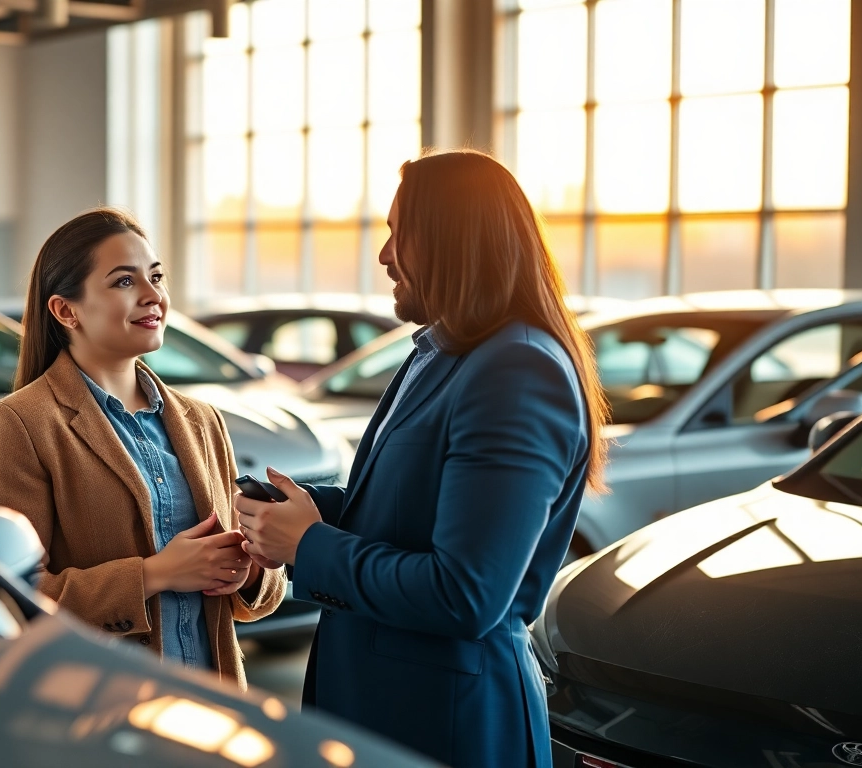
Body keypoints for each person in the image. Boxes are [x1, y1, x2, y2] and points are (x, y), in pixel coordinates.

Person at [236, 150, 608, 766]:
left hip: (449, 724)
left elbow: (466, 594)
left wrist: (308, 546)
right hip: (389, 712)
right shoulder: (442, 352)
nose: (384, 255)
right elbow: (406, 507)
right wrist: (297, 512)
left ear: (450, 242)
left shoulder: (517, 370)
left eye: (397, 234)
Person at [0, 207, 286, 690]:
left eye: (156, 276)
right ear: (65, 310)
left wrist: (246, 571)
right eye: (124, 281)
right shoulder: (20, 423)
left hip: (211, 699)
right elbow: (11, 594)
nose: (153, 296)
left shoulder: (202, 421)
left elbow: (260, 597)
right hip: (100, 705)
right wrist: (154, 574)